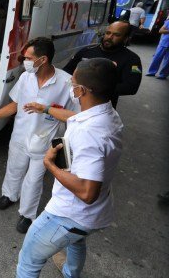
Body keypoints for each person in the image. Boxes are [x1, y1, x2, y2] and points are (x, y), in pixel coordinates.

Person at [16, 58, 123, 278]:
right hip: (94, 215)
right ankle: (71, 273)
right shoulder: (107, 114)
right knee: (76, 241)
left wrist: (50, 165)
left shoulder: (89, 133)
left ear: (82, 90)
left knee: (28, 261)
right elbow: (77, 117)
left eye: (72, 83)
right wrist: (45, 108)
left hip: (68, 216)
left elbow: (87, 191)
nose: (70, 87)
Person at [0, 37, 76, 233]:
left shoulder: (65, 82)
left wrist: (47, 111)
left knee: (34, 179)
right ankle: (9, 195)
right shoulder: (25, 78)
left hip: (44, 141)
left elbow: (75, 116)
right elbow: (15, 105)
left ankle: (27, 214)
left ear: (43, 59)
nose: (24, 61)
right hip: (20, 134)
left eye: (28, 58)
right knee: (14, 168)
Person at [63, 21, 142, 108]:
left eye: (116, 35)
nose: (109, 37)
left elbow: (131, 87)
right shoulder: (86, 51)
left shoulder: (132, 59)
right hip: (75, 103)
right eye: (108, 33)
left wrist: (96, 89)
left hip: (103, 108)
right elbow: (66, 71)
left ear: (126, 38)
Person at [146, 10, 169, 79]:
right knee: (157, 58)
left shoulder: (168, 21)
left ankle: (163, 75)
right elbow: (160, 30)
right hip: (163, 43)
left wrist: (167, 31)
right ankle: (151, 72)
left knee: (168, 61)